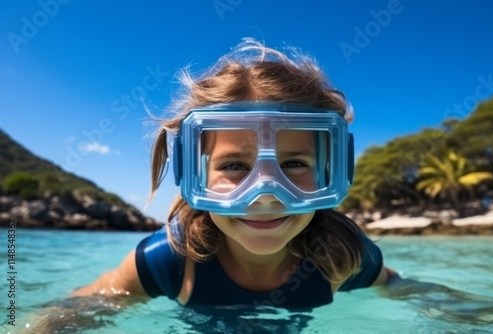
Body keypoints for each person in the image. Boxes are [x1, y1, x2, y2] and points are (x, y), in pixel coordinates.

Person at [73, 38, 398, 309]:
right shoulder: (170, 262)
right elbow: (82, 308)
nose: (267, 193)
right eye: (234, 166)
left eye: (294, 164)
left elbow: (399, 286)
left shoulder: (341, 256)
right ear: (191, 172)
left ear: (333, 170)